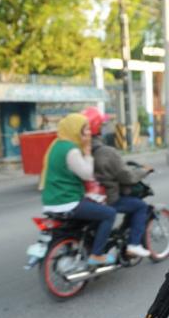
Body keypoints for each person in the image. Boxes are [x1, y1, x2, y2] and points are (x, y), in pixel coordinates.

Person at [39, 113, 117, 267]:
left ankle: (84, 245)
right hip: (68, 202)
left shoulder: (55, 145)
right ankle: (97, 255)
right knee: (109, 213)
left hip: (50, 202)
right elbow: (87, 174)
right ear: (75, 130)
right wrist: (87, 153)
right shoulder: (71, 150)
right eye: (85, 129)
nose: (89, 133)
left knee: (93, 210)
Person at [83, 107, 152, 258]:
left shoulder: (80, 150)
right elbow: (127, 176)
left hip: (86, 198)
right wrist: (143, 171)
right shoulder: (106, 152)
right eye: (102, 125)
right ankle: (134, 245)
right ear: (98, 128)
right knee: (140, 206)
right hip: (108, 198)